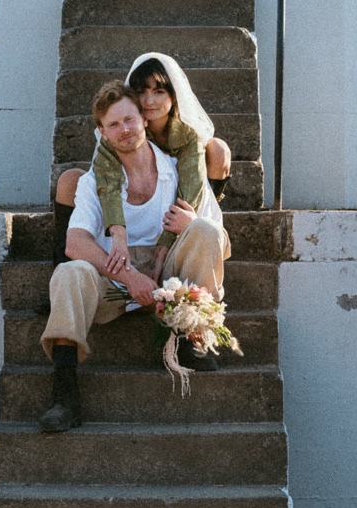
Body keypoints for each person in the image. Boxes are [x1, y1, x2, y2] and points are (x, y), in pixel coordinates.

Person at [38, 80, 230, 432]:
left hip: (171, 277)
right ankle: (65, 395)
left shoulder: (178, 169)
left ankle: (195, 335)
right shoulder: (95, 179)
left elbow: (218, 236)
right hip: (115, 280)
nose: (124, 130)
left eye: (129, 119)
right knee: (69, 272)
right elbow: (75, 242)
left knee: (204, 230)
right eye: (113, 124)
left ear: (143, 119)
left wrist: (192, 221)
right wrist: (130, 277)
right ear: (102, 132)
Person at [54, 53, 232, 269]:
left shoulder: (187, 137)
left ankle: (203, 232)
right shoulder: (124, 130)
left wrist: (186, 229)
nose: (149, 101)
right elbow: (107, 180)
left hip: (180, 199)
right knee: (69, 180)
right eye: (141, 92)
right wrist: (118, 233)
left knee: (218, 148)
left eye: (159, 92)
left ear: (173, 96)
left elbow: (190, 189)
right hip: (132, 195)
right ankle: (62, 268)